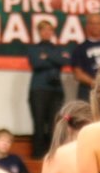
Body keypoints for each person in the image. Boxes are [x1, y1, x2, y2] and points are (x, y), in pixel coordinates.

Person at [27, 20, 70, 158]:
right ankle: (38, 155)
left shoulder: (58, 48)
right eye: (44, 29)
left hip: (56, 90)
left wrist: (47, 56)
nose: (47, 32)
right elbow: (36, 63)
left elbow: (65, 61)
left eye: (49, 29)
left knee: (55, 124)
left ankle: (53, 155)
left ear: (53, 32)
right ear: (39, 32)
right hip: (38, 89)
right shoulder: (33, 48)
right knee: (39, 123)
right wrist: (55, 58)